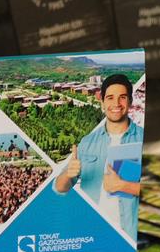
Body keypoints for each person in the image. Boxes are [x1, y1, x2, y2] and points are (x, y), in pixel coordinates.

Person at [53, 73, 143, 240]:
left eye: (122, 97)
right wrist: (68, 174)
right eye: (110, 98)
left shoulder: (145, 140)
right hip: (91, 234)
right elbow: (60, 187)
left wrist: (123, 186)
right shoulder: (87, 142)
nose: (116, 103)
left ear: (130, 101)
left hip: (129, 237)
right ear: (102, 102)